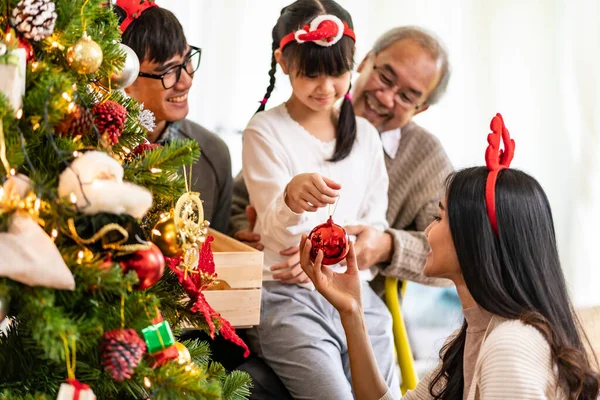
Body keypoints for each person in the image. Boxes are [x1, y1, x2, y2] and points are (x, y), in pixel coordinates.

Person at [299, 114, 600, 400]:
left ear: (474, 237)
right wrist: (352, 311)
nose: (428, 231)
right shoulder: (471, 336)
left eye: (439, 217)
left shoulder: (510, 344)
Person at [241, 1, 399, 399]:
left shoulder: (364, 135)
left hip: (354, 292)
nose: (326, 87)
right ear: (284, 62)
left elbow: (373, 221)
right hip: (286, 297)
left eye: (337, 72)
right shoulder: (264, 132)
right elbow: (277, 238)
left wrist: (346, 248)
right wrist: (292, 200)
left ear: (355, 64)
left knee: (383, 395)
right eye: (311, 74)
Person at [231, 25, 453, 290]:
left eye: (406, 96)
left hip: (360, 295)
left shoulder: (426, 157)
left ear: (421, 109)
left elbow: (462, 255)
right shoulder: (306, 117)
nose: (385, 97)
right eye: (384, 76)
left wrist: (386, 246)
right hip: (284, 284)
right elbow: (239, 201)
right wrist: (252, 237)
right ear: (364, 61)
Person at [115, 0, 232, 233]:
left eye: (187, 61)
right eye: (168, 71)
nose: (186, 81)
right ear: (122, 75)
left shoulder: (212, 154)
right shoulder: (85, 156)